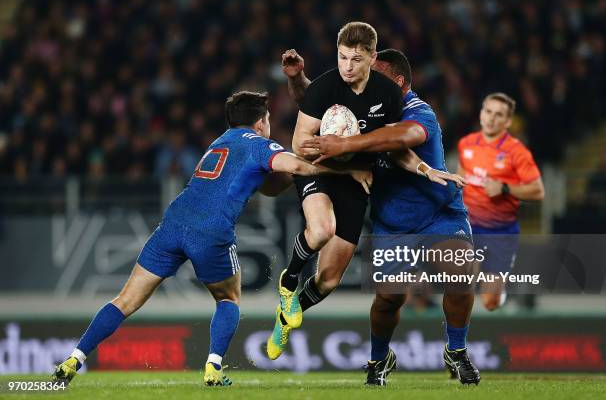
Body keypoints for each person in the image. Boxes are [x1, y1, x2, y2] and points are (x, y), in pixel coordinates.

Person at [51, 91, 370, 387]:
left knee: (125, 300)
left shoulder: (218, 143)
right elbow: (298, 166)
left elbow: (270, 184)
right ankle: (214, 366)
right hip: (211, 231)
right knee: (228, 299)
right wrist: (345, 170)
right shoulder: (259, 144)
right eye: (268, 119)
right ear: (261, 122)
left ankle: (74, 359)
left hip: (173, 223)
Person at [266, 22, 461, 361]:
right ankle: (288, 283)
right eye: (342, 58)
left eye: (356, 59)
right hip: (321, 170)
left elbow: (394, 144)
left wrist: (426, 169)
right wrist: (347, 165)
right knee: (322, 229)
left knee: (328, 281)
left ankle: (287, 315)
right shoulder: (326, 86)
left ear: (371, 58)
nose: (348, 66)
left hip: (357, 181)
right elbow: (301, 146)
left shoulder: (385, 95)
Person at [295, 48, 481, 386]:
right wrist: (297, 80)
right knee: (389, 298)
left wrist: (347, 145)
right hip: (391, 224)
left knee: (460, 272)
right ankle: (379, 359)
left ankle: (456, 351)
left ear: (397, 82)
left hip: (438, 214)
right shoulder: (365, 108)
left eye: (375, 75)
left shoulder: (417, 110)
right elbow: (320, 102)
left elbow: (404, 137)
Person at [457, 93, 544, 311]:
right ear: (480, 114)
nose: (492, 118)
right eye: (488, 112)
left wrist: (505, 188)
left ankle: (500, 290)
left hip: (500, 232)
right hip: (469, 227)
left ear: (507, 122)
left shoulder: (517, 152)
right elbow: (461, 179)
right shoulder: (466, 144)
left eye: (499, 115)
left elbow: (538, 191)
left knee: (490, 303)